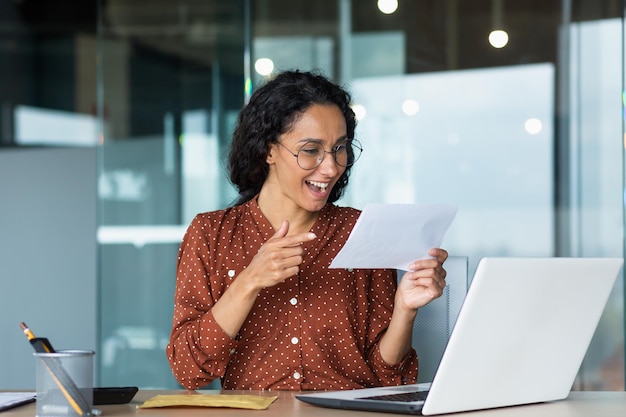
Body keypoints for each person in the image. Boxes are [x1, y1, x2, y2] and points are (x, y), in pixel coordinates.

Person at [166, 70, 448, 391]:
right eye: (311, 150)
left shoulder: (363, 231)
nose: (330, 168)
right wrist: (249, 281)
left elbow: (387, 375)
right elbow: (188, 370)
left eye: (339, 148)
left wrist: (405, 310)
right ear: (269, 150)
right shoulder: (211, 234)